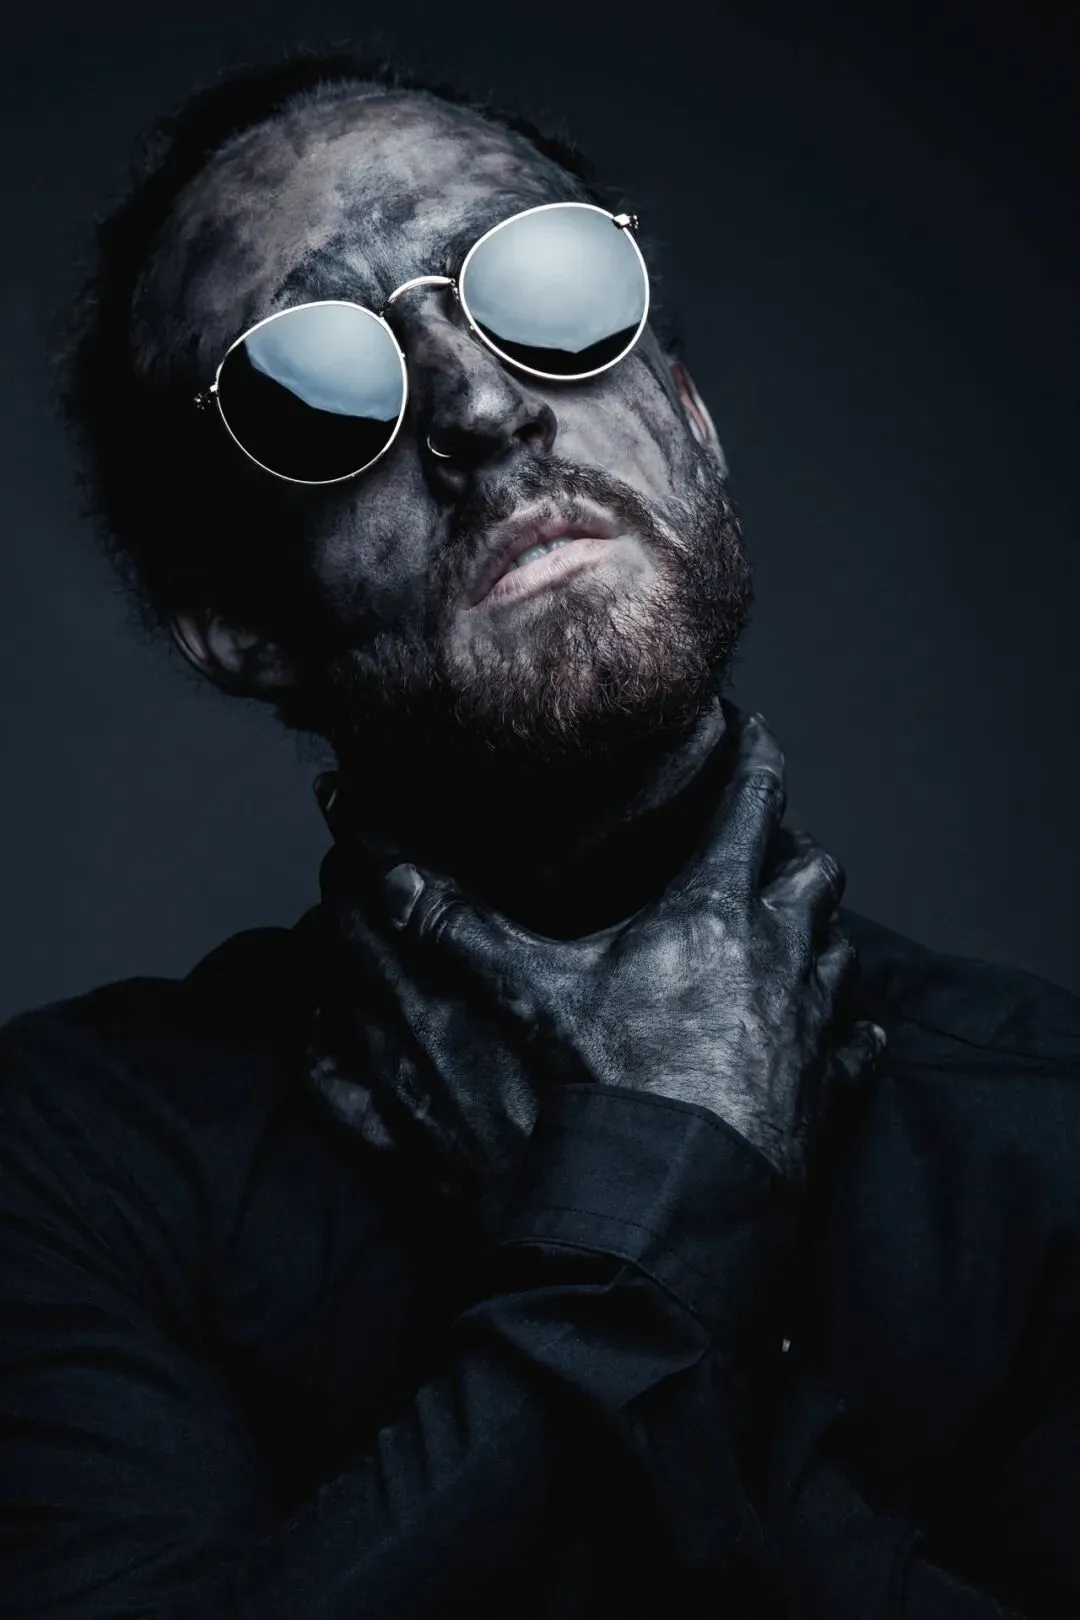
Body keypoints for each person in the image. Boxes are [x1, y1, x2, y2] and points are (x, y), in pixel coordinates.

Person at [1, 49, 1077, 1620]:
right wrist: (665, 1196)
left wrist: (614, 1223)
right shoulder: (72, 1164)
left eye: (550, 288)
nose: (487, 407)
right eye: (319, 384)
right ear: (232, 619)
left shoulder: (1048, 1123)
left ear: (688, 419)